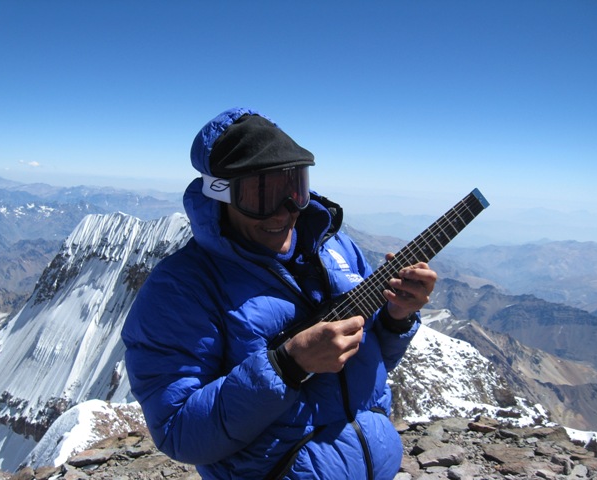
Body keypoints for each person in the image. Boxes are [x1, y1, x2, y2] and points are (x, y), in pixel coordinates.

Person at [121, 107, 437, 479]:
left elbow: (367, 360)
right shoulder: (180, 289)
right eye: (260, 195)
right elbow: (179, 432)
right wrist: (287, 365)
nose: (284, 214)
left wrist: (396, 318)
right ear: (221, 194)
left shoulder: (338, 251)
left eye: (294, 190)